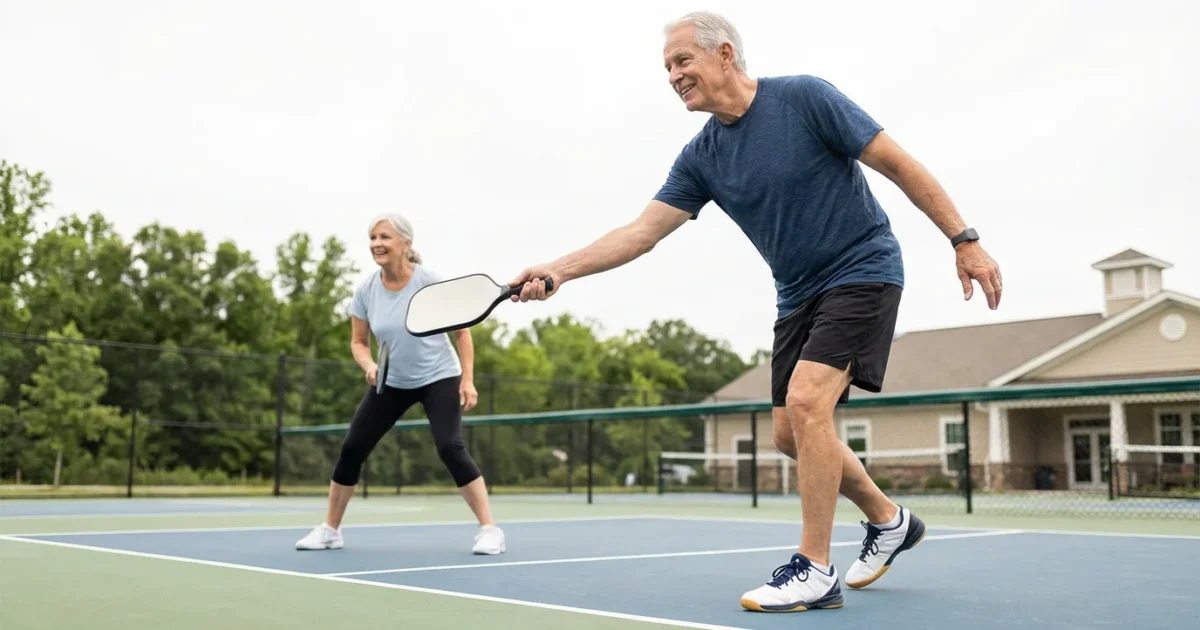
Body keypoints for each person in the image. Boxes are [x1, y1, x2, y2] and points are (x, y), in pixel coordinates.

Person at [508, 11, 1001, 613]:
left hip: (862, 268)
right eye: (666, 66)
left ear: (724, 55)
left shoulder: (805, 98)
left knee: (806, 401)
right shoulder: (701, 156)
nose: (673, 75)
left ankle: (815, 569)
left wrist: (963, 239)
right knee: (791, 434)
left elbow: (898, 163)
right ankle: (889, 519)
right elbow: (641, 232)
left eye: (682, 60)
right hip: (796, 294)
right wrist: (558, 269)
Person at [295, 213, 505, 555]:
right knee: (352, 448)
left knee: (450, 447)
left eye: (385, 237)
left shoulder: (429, 282)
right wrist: (369, 365)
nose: (377, 244)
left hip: (439, 374)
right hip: (392, 380)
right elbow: (358, 342)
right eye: (373, 237)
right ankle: (330, 530)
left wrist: (467, 379)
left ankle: (490, 531)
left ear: (406, 244)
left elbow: (462, 332)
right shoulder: (366, 289)